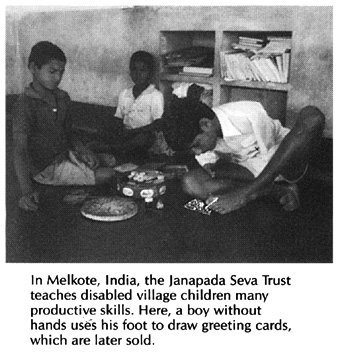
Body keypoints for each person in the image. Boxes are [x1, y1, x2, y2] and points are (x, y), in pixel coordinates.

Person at [12, 41, 116, 212]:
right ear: (33, 68)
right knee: (109, 175)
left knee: (110, 160)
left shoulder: (62, 97)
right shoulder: (24, 105)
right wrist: (26, 192)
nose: (58, 77)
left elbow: (69, 133)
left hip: (65, 154)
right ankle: (62, 181)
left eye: (61, 72)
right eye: (52, 71)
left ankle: (80, 165)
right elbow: (19, 150)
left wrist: (83, 150)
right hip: (47, 168)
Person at [181, 101, 325, 214]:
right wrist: (219, 169)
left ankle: (249, 194)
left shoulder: (246, 113)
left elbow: (269, 152)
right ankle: (278, 191)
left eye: (197, 144)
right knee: (190, 182)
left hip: (283, 158)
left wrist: (243, 194)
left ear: (206, 124)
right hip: (251, 171)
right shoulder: (202, 143)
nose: (197, 152)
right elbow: (215, 168)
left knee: (313, 116)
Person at [110, 50, 171, 158]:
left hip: (145, 135)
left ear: (151, 73)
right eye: (134, 69)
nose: (138, 74)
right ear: (129, 71)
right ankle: (119, 149)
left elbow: (158, 124)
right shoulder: (125, 94)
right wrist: (118, 131)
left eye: (143, 70)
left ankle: (117, 150)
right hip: (127, 134)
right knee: (108, 132)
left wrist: (134, 132)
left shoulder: (155, 95)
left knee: (143, 138)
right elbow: (118, 118)